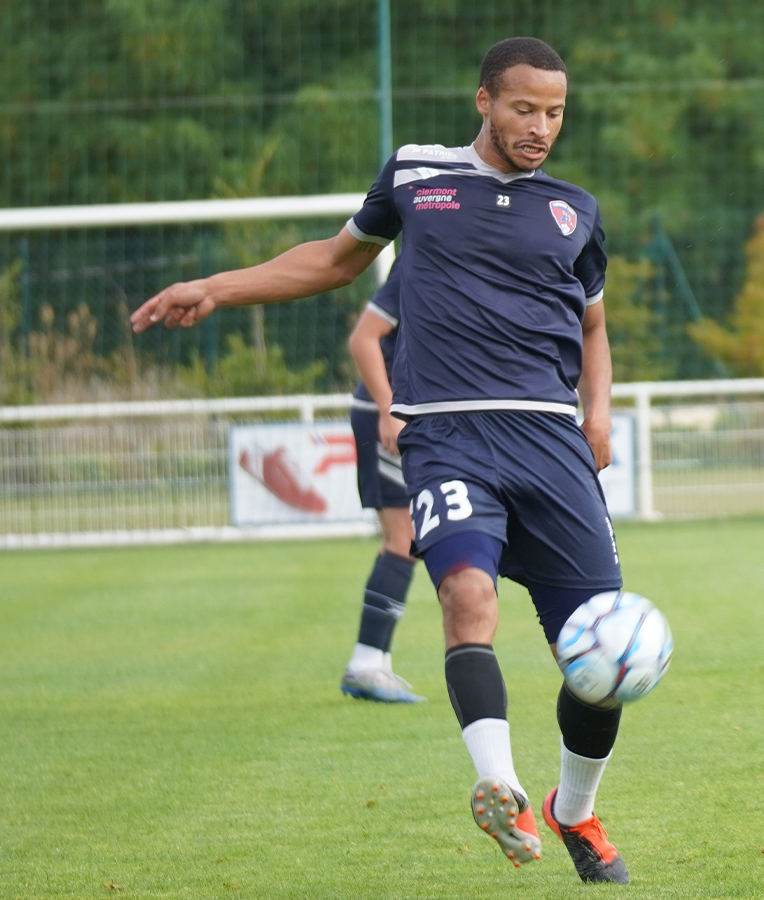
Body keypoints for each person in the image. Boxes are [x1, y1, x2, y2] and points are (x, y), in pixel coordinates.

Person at [131, 36, 630, 884]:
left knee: (599, 660)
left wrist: (599, 411)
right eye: (523, 108)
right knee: (465, 594)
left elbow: (592, 328)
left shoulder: (574, 210)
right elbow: (331, 262)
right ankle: (499, 784)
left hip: (550, 440)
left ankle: (573, 809)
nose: (540, 126)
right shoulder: (415, 177)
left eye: (554, 112)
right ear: (484, 101)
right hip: (447, 433)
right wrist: (217, 286)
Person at [342, 266, 424, 704]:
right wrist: (388, 407)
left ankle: (375, 662)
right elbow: (362, 338)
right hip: (389, 413)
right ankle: (367, 663)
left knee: (409, 540)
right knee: (403, 538)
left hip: (419, 412)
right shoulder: (421, 257)